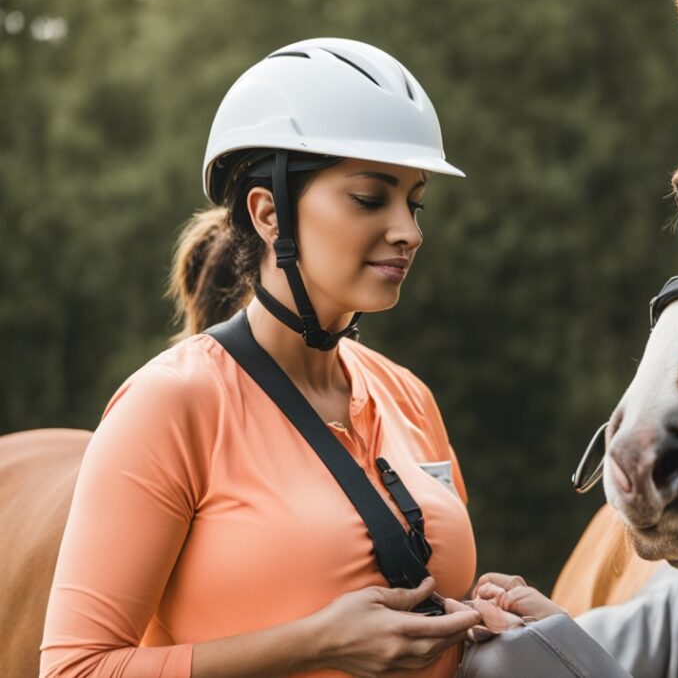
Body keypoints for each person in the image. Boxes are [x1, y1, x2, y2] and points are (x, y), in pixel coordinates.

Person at [40, 37, 487, 678]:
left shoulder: (409, 396)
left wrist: (483, 615)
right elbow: (72, 669)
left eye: (415, 202)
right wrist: (316, 643)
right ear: (269, 213)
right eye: (370, 198)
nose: (409, 231)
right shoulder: (171, 403)